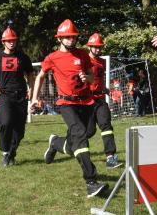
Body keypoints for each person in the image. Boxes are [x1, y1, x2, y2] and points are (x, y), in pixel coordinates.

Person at [30, 19, 107, 198]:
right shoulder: (52, 58)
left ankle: (55, 143)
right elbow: (40, 76)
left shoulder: (83, 54)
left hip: (86, 102)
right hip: (66, 104)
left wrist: (85, 77)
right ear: (60, 39)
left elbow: (91, 78)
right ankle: (91, 181)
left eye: (73, 37)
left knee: (86, 134)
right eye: (68, 37)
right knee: (80, 135)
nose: (72, 40)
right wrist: (34, 98)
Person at [0, 27, 34, 167]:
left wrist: (31, 89)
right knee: (6, 122)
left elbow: (30, 74)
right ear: (3, 42)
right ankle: (5, 153)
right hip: (4, 95)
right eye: (9, 41)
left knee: (20, 131)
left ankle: (12, 153)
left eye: (13, 40)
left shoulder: (23, 57)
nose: (12, 43)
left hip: (21, 96)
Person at [86, 32, 122, 169]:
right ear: (90, 47)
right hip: (87, 101)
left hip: (100, 99)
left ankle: (110, 157)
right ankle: (56, 143)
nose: (97, 49)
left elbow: (98, 81)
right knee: (89, 132)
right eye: (94, 47)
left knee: (106, 126)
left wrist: (107, 90)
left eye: (99, 47)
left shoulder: (102, 62)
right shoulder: (84, 61)